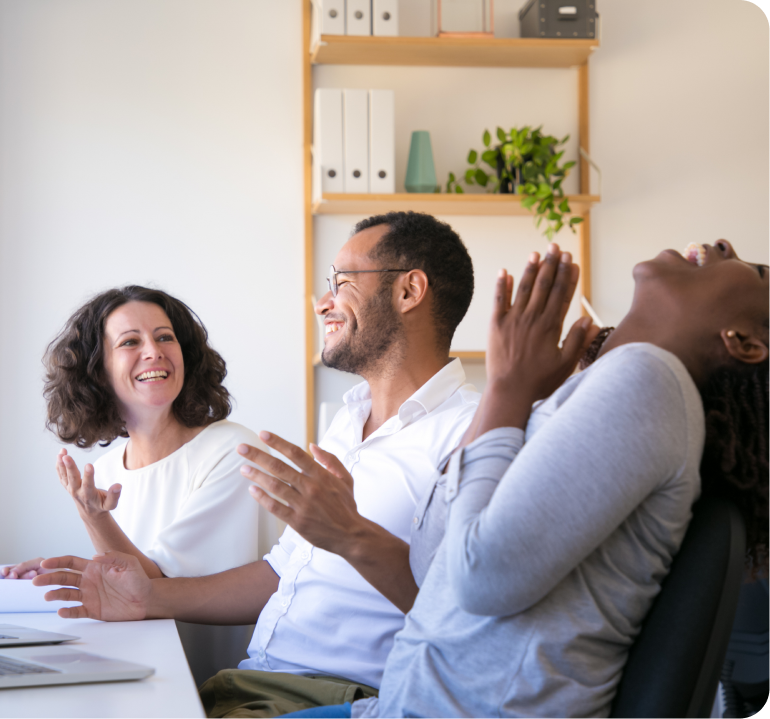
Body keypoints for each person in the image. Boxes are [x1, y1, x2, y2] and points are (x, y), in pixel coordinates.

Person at [239, 238, 770, 719]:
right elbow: (434, 564)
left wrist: (507, 390)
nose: (725, 244)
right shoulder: (592, 392)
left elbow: (476, 577)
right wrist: (513, 397)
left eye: (757, 272)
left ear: (744, 342)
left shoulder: (648, 382)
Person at [32, 211, 481, 718]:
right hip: (252, 683)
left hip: (344, 697)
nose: (322, 302)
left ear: (409, 291)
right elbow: (279, 572)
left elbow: (475, 617)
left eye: (343, 282)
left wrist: (352, 534)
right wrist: (148, 600)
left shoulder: (472, 436)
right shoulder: (347, 423)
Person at [2, 285, 267, 581]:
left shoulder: (233, 451)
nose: (154, 352)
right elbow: (123, 584)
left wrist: (94, 518)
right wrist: (64, 570)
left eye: (165, 337)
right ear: (98, 372)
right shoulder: (105, 471)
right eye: (130, 342)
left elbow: (162, 592)